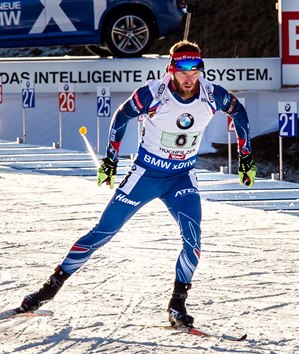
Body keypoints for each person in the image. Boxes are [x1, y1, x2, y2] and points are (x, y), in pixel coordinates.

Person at [19, 40, 256, 327]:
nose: (189, 75)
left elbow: (239, 113)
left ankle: (177, 304)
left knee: (193, 242)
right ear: (171, 69)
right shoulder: (153, 94)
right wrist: (110, 160)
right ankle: (49, 289)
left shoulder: (211, 94)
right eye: (182, 68)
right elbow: (121, 116)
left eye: (195, 68)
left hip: (181, 177)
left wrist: (245, 158)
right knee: (103, 232)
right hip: (145, 175)